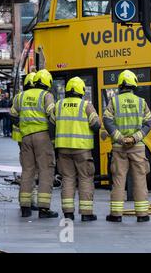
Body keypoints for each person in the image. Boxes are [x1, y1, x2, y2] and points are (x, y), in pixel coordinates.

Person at [103, 70, 151, 223]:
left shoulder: (114, 101)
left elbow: (107, 120)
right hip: (137, 147)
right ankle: (142, 214)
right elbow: (148, 123)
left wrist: (120, 138)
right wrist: (135, 138)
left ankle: (116, 215)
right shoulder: (141, 102)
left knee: (119, 180)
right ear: (133, 85)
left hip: (119, 148)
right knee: (140, 179)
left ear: (120, 85)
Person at [52, 77, 101, 222]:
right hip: (82, 149)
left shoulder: (59, 105)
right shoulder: (86, 105)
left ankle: (68, 213)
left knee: (67, 179)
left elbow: (52, 124)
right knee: (85, 179)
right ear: (81, 90)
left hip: (63, 149)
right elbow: (96, 124)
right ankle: (86, 213)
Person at [10, 69, 58, 218]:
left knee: (27, 171)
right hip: (42, 137)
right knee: (45, 171)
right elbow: (53, 115)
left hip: (25, 138)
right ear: (47, 83)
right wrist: (53, 135)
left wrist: (23, 126)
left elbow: (12, 114)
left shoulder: (21, 96)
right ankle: (44, 209)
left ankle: (25, 207)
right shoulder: (46, 96)